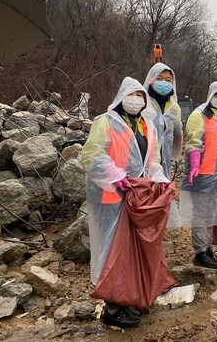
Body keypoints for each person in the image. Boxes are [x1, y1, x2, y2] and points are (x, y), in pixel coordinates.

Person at [81, 77, 170, 328]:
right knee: (112, 251)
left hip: (137, 196)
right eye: (133, 94)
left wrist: (158, 177)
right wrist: (114, 175)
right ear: (122, 96)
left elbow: (153, 160)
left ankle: (130, 297)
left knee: (133, 250)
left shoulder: (147, 126)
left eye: (141, 95)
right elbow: (90, 154)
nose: (137, 100)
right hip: (111, 197)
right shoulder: (106, 122)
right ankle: (112, 307)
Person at [179, 82, 217, 269]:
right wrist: (194, 162)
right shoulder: (199, 116)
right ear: (211, 95)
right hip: (201, 174)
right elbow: (193, 141)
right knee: (201, 213)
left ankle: (207, 248)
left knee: (209, 213)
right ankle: (201, 252)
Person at [143, 63, 184, 226]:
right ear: (151, 80)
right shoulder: (143, 101)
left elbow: (178, 132)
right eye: (159, 78)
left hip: (165, 160)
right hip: (145, 159)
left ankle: (157, 229)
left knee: (161, 194)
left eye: (168, 80)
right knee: (144, 194)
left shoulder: (174, 107)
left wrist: (175, 153)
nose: (164, 82)